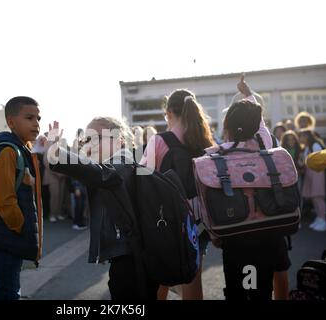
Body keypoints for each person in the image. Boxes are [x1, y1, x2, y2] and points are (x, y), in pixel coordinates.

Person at [45, 117, 160, 300]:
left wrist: (57, 153)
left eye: (97, 137)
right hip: (130, 255)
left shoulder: (123, 161)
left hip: (134, 259)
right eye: (86, 139)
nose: (90, 144)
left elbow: (100, 174)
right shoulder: (118, 161)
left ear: (119, 139)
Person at [206, 75, 291, 300]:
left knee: (239, 288)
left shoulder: (218, 155)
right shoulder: (265, 144)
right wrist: (248, 94)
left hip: (237, 233)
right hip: (267, 228)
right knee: (260, 289)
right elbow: (259, 124)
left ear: (227, 127)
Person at [140, 89, 215, 300]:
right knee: (192, 274)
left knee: (161, 275)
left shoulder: (159, 141)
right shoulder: (205, 141)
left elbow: (142, 176)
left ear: (169, 112)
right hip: (200, 219)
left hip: (166, 219)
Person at [0, 96, 41, 300]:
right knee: (8, 292)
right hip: (7, 237)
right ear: (11, 122)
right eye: (29, 117)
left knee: (10, 288)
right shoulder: (8, 150)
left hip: (10, 236)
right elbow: (4, 200)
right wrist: (20, 226)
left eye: (38, 118)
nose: (36, 123)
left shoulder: (22, 148)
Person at [298, 129, 326, 232]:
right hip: (310, 173)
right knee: (314, 198)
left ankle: (323, 220)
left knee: (318, 197)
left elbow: (320, 160)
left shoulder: (315, 145)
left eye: (301, 136)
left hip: (317, 173)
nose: (300, 138)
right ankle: (319, 218)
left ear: (307, 136)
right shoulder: (306, 148)